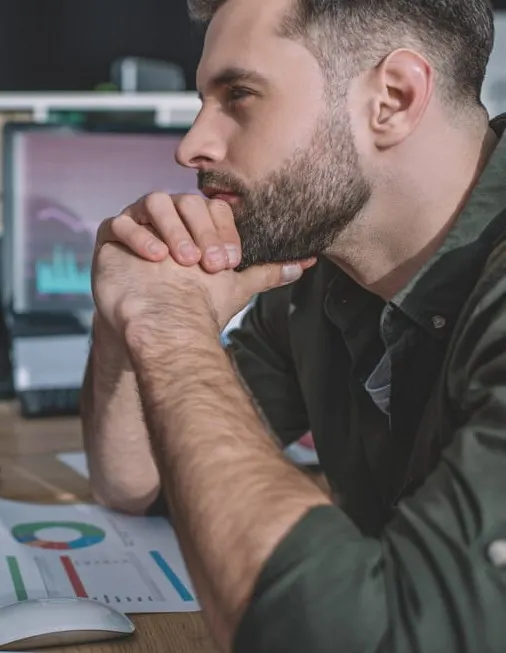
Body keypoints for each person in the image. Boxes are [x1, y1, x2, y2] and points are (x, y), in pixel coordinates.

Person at [81, 0, 506, 650]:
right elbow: (140, 483)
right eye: (204, 99)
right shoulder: (318, 273)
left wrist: (170, 325)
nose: (192, 144)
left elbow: (364, 635)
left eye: (239, 94)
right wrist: (126, 317)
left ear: (392, 99)